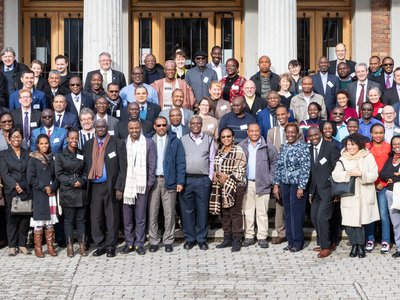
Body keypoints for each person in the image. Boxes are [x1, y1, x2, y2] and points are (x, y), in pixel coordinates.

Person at [331, 133, 379, 258]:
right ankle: (354, 245)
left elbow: (374, 175)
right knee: (350, 223)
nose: (350, 147)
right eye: (348, 145)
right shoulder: (343, 158)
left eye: (353, 144)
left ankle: (361, 246)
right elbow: (335, 175)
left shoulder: (367, 156)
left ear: (359, 145)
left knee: (360, 223)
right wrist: (348, 174)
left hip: (363, 194)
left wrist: (361, 174)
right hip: (349, 195)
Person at [84, 118, 127, 257]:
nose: (101, 129)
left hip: (111, 186)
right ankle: (100, 245)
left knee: (112, 218)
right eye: (98, 127)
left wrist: (119, 187)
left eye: (103, 127)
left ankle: (111, 246)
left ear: (107, 127)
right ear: (95, 128)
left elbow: (123, 168)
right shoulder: (89, 144)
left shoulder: (117, 143)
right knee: (96, 218)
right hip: (95, 187)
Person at [148, 116, 186, 253]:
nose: (161, 127)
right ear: (154, 126)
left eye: (164, 125)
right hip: (153, 182)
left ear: (167, 126)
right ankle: (153, 240)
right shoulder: (149, 141)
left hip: (169, 180)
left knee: (169, 213)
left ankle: (168, 240)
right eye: (158, 125)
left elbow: (181, 163)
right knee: (153, 212)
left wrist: (180, 181)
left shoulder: (175, 141)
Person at [273, 123, 310, 252]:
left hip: (296, 184)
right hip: (285, 184)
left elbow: (306, 168)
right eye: (288, 132)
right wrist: (276, 184)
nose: (290, 135)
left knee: (296, 214)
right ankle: (290, 241)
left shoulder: (303, 147)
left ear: (297, 133)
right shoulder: (283, 147)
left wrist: (301, 187)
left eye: (292, 132)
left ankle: (298, 242)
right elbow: (279, 167)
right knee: (287, 213)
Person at [239, 123, 278, 248]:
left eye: (256, 131)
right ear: (247, 132)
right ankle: (249, 236)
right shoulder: (241, 146)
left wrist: (270, 179)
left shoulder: (268, 146)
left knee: (262, 212)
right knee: (248, 211)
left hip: (263, 183)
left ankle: (262, 237)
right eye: (251, 131)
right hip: (247, 183)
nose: (254, 133)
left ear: (260, 131)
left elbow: (275, 163)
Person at [121, 120, 156, 255]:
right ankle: (129, 243)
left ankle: (139, 243)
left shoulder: (148, 143)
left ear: (140, 128)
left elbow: (151, 166)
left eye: (136, 128)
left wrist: (149, 184)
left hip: (142, 186)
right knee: (127, 217)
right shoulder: (123, 143)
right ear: (128, 129)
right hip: (127, 186)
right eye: (131, 128)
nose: (134, 130)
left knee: (140, 217)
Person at [180, 116, 215, 250]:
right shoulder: (183, 140)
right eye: (193, 123)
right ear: (189, 124)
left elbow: (212, 159)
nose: (195, 125)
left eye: (198, 123)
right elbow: (180, 160)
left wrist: (210, 178)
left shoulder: (209, 140)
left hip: (203, 180)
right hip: (187, 179)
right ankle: (190, 239)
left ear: (201, 124)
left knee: (202, 210)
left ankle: (201, 239)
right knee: (187, 210)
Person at [210, 127, 247, 252]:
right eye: (224, 137)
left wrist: (228, 176)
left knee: (235, 212)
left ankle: (237, 239)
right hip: (221, 185)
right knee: (225, 212)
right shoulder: (220, 151)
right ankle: (227, 238)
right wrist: (217, 175)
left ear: (233, 137)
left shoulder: (238, 150)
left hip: (236, 185)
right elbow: (216, 168)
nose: (226, 139)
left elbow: (241, 168)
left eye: (228, 136)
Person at [307, 126, 340, 258]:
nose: (314, 138)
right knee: (314, 217)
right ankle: (324, 241)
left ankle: (326, 247)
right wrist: (310, 192)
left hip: (328, 190)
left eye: (315, 135)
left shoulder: (330, 147)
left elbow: (337, 169)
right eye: (311, 136)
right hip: (315, 191)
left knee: (322, 217)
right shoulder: (309, 149)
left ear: (320, 133)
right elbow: (312, 173)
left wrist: (336, 191)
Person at [55, 129, 88, 257]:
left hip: (81, 191)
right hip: (68, 191)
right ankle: (69, 246)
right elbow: (59, 174)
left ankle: (82, 246)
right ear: (67, 139)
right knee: (68, 220)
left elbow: (86, 171)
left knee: (81, 220)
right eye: (71, 138)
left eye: (76, 138)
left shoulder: (82, 154)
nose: (74, 140)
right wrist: (72, 181)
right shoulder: (60, 155)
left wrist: (82, 181)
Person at [0, 128, 31, 256]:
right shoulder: (3, 154)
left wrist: (22, 186)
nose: (16, 139)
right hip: (10, 190)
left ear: (22, 138)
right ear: (9, 138)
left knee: (25, 217)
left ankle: (22, 244)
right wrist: (15, 185)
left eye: (18, 137)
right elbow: (4, 173)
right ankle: (12, 245)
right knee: (11, 217)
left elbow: (29, 172)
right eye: (13, 137)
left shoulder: (27, 153)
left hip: (25, 189)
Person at [27, 134, 59, 258]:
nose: (44, 146)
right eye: (41, 143)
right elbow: (30, 178)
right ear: (37, 145)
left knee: (50, 223)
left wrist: (53, 187)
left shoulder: (52, 158)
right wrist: (43, 187)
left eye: (46, 143)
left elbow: (57, 177)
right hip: (39, 194)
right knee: (39, 223)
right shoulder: (33, 158)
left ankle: (50, 247)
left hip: (50, 194)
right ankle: (38, 248)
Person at [364, 124, 391, 254]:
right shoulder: (367, 147)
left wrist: (383, 183)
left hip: (383, 186)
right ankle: (370, 239)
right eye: (376, 133)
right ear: (371, 133)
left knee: (383, 214)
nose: (378, 135)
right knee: (370, 213)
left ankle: (385, 240)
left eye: (381, 133)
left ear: (384, 133)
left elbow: (391, 166)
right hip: (369, 185)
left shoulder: (389, 147)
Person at [380, 136, 400, 258]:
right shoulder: (390, 159)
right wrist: (395, 174)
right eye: (394, 144)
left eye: (399, 143)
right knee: (396, 223)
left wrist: (392, 178)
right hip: (390, 194)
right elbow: (382, 174)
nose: (397, 146)